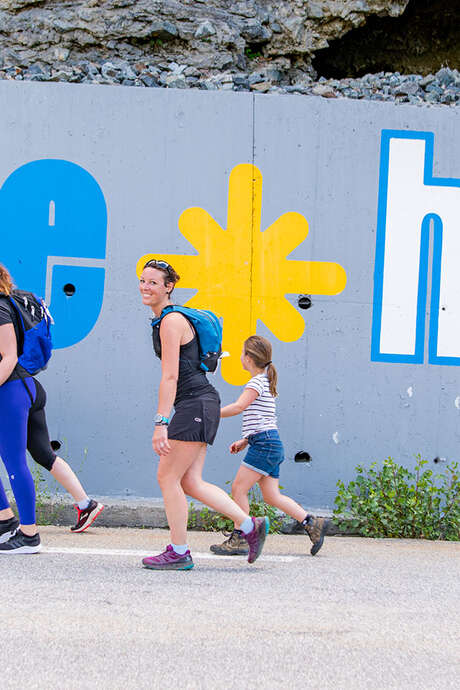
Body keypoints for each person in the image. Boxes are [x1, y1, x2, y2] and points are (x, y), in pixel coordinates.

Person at [139, 259, 268, 570]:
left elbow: (169, 377)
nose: (145, 287)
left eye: (153, 282)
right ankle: (249, 526)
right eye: (143, 281)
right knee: (191, 482)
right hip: (202, 403)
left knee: (167, 476)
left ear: (168, 287)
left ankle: (179, 551)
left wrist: (161, 422)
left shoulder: (170, 321)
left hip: (194, 403)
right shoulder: (166, 320)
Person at [0, 264, 103, 554]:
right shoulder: (10, 301)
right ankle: (5, 520)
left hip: (11, 390)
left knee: (14, 461)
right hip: (27, 388)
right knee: (42, 454)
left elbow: (7, 357)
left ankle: (29, 535)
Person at [210, 335, 328, 557]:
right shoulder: (265, 381)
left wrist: (210, 413)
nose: (241, 357)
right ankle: (312, 523)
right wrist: (246, 440)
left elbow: (239, 407)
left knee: (238, 489)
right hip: (269, 442)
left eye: (243, 353)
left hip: (264, 445)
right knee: (272, 496)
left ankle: (242, 536)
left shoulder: (256, 382)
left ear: (249, 357)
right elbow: (263, 418)